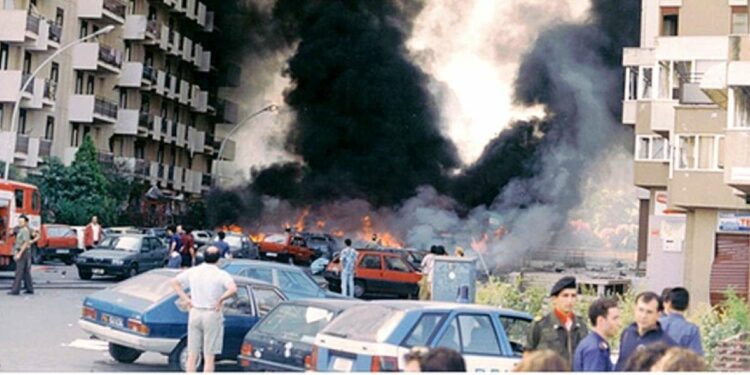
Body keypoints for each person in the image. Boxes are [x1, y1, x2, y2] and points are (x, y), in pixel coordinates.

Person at [171, 246, 237, 373]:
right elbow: (233, 289)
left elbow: (174, 282)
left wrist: (187, 299)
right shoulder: (221, 274)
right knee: (209, 356)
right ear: (218, 259)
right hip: (211, 313)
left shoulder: (194, 271)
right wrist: (220, 299)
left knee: (192, 354)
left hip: (195, 311)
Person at [525, 276, 588, 364]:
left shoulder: (581, 325)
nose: (570, 300)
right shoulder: (541, 325)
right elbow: (528, 355)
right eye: (565, 296)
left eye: (573, 296)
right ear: (554, 299)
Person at [615, 291, 677, 370]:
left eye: (649, 312)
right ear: (634, 309)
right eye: (641, 310)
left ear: (658, 314)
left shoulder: (666, 344)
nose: (643, 316)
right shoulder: (627, 333)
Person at [573, 298, 621, 371]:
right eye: (615, 318)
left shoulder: (594, 344)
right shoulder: (595, 349)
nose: (619, 323)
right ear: (600, 320)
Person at [659, 287, 704, 355]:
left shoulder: (656, 323)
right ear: (687, 306)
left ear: (669, 303)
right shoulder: (691, 329)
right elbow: (696, 357)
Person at [9, 215, 34, 295]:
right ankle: (29, 289)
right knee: (26, 271)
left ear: (26, 222)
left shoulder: (25, 230)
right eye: (19, 221)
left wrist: (19, 253)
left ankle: (15, 290)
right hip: (25, 252)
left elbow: (25, 243)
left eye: (21, 222)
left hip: (23, 252)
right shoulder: (20, 229)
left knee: (19, 271)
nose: (20, 223)